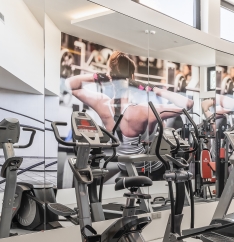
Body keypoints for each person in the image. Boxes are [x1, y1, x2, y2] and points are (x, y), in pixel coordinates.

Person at [66, 51, 193, 180]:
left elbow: (70, 85)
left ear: (110, 76)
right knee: (168, 133)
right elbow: (188, 104)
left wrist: (97, 76)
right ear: (132, 77)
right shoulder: (143, 110)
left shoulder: (102, 104)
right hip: (151, 169)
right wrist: (155, 89)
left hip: (124, 166)